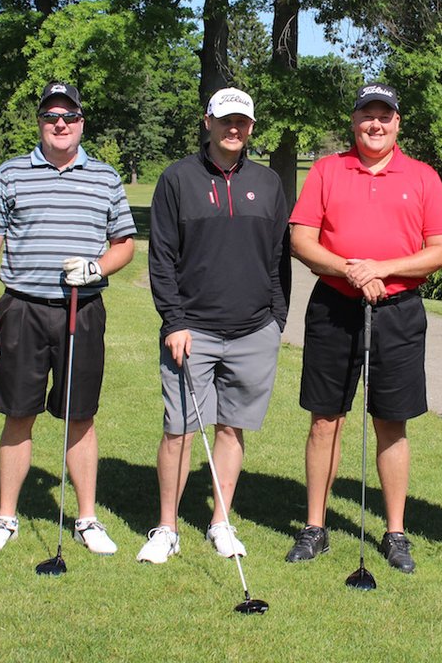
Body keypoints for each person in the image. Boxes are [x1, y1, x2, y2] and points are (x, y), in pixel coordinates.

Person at [285, 82, 442, 574]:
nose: (375, 124)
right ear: (354, 121)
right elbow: (301, 239)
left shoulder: (421, 176)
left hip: (398, 312)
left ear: (398, 122)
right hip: (335, 306)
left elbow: (441, 250)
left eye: (384, 116)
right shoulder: (326, 169)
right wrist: (352, 270)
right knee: (324, 419)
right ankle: (315, 526)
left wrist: (383, 269)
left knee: (391, 422)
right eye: (366, 115)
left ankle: (396, 531)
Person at [0, 81, 137, 556]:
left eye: (68, 116)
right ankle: (6, 517)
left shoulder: (105, 178)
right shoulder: (10, 174)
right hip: (22, 309)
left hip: (80, 310)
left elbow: (124, 243)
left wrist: (98, 267)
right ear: (40, 122)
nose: (59, 124)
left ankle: (86, 518)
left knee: (79, 415)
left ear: (82, 122)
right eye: (50, 116)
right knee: (17, 413)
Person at [137, 87, 289, 564]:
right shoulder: (178, 179)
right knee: (179, 430)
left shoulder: (268, 183)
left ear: (251, 126)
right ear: (208, 121)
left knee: (232, 428)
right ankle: (166, 527)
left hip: (253, 330)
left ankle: (221, 522)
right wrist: (174, 320)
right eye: (225, 120)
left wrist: (275, 320)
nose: (234, 128)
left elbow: (278, 259)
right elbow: (161, 257)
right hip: (192, 331)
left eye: (242, 121)